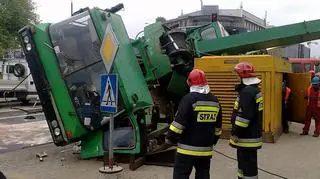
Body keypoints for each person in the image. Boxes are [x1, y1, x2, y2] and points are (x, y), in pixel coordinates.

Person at [165, 68, 222, 179]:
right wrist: (213, 141)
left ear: (190, 82)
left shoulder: (189, 99)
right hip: (206, 151)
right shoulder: (215, 101)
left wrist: (170, 137)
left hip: (186, 150)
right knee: (203, 175)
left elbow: (178, 124)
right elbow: (218, 127)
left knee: (181, 175)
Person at [230, 62, 263, 179]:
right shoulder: (252, 90)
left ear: (243, 76)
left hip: (246, 138)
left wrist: (235, 133)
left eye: (237, 75)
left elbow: (243, 118)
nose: (236, 77)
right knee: (244, 168)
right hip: (250, 137)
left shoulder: (247, 92)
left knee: (248, 168)